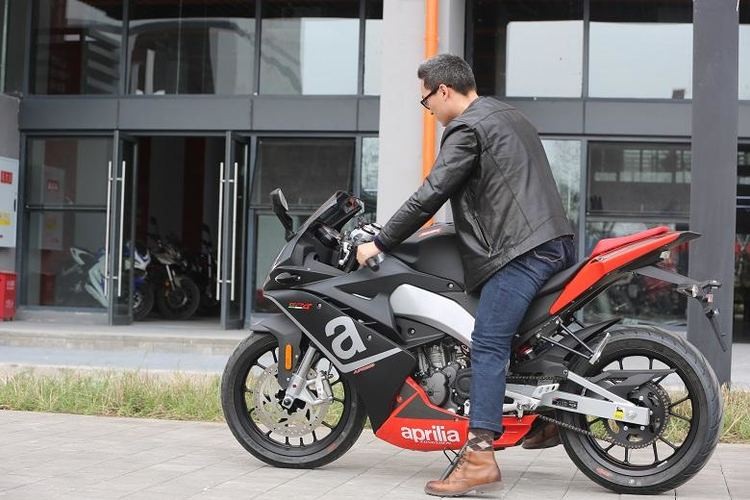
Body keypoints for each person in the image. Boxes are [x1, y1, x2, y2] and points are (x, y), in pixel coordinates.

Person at [356, 54, 576, 497]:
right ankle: (551, 420)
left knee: (488, 343)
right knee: (530, 340)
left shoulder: (467, 128)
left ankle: (478, 457)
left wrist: (380, 242)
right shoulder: (508, 116)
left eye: (426, 101)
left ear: (443, 90)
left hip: (521, 251)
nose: (429, 112)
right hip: (553, 241)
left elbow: (432, 192)